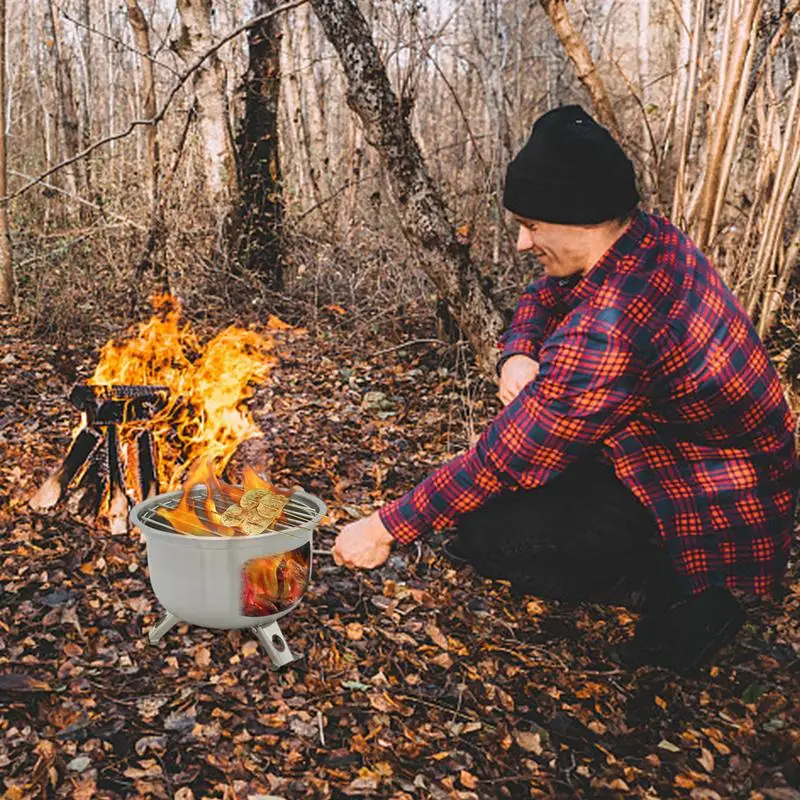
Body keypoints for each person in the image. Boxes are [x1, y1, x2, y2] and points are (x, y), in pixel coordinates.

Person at [332, 105, 799, 672]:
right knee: (507, 508)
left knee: (488, 534)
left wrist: (385, 526)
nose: (523, 243)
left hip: (710, 499)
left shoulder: (615, 324)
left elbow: (504, 458)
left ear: (580, 219)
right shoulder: (642, 238)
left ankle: (683, 593)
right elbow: (540, 297)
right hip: (667, 453)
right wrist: (519, 352)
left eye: (532, 226)